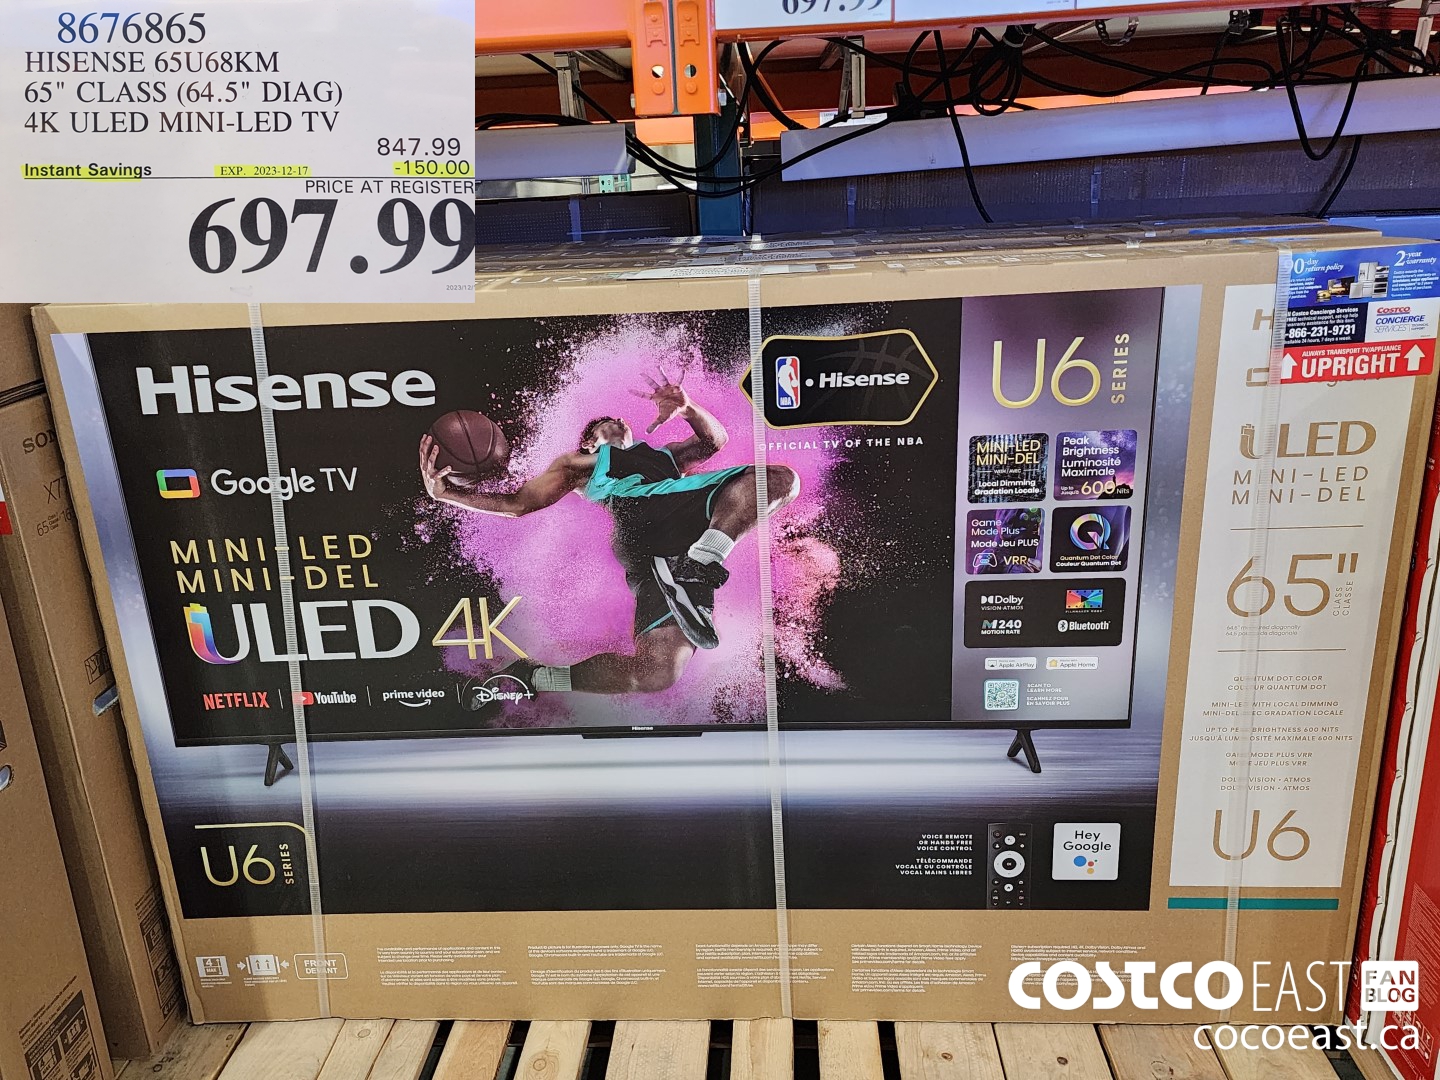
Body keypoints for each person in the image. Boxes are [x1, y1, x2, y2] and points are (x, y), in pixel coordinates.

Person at [418, 371, 799, 700]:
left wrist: (689, 408)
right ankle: (701, 561)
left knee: (657, 673)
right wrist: (448, 495)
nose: (615, 420)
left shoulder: (664, 456)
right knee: (778, 478)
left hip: (658, 558)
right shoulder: (582, 463)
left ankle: (534, 676)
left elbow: (713, 441)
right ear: (589, 443)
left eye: (618, 419)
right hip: (640, 514)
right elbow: (518, 503)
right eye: (602, 424)